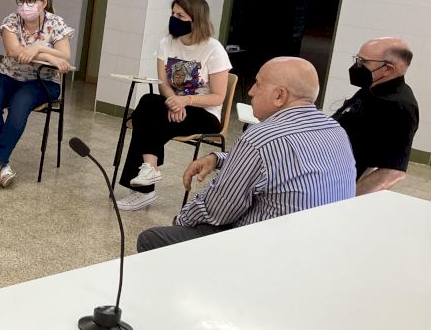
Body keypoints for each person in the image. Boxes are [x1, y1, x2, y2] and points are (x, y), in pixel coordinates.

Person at [136, 57, 355, 252]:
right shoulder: (334, 129)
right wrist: (218, 158)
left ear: (280, 95)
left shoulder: (261, 137)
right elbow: (281, 163)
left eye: (258, 84)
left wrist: (182, 220)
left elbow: (219, 210)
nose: (250, 92)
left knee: (152, 239)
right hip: (322, 245)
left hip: (269, 252)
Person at [116, 0, 231, 211]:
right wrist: (173, 102)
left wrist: (185, 101)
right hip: (173, 106)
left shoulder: (214, 49)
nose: (174, 19)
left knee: (146, 119)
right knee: (148, 102)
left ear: (195, 20)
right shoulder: (166, 43)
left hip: (205, 113)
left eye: (180, 15)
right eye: (173, 14)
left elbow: (218, 96)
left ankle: (144, 188)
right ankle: (149, 169)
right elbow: (164, 84)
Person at [0, 0, 73, 190]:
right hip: (7, 76)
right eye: (21, 0)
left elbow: (65, 56)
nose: (25, 5)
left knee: (19, 105)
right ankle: (3, 165)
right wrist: (48, 55)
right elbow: (15, 52)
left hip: (43, 82)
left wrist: (38, 48)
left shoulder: (56, 23)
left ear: (44, 3)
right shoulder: (11, 21)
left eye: (31, 0)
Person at [331, 37, 418, 194]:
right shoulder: (372, 89)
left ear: (387, 69)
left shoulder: (399, 106)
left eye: (363, 62)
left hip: (334, 186)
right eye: (357, 59)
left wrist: (346, 200)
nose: (357, 66)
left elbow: (392, 172)